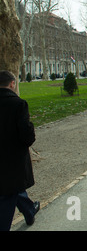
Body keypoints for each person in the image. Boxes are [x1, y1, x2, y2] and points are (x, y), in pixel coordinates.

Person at [0, 70, 40, 231]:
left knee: (14, 188)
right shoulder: (18, 104)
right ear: (12, 83)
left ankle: (29, 210)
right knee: (8, 193)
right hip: (13, 157)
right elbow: (27, 134)